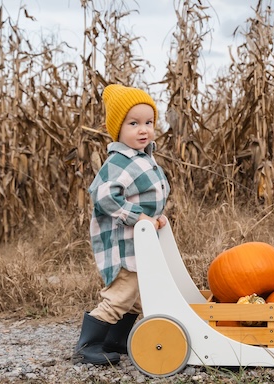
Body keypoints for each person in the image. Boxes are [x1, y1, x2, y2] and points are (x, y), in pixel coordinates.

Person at [73, 84, 170, 365]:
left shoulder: (143, 157)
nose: (143, 130)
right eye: (134, 123)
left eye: (149, 123)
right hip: (123, 244)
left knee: (137, 296)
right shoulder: (119, 160)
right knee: (120, 295)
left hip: (140, 243)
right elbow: (103, 196)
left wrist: (156, 216)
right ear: (117, 129)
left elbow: (149, 196)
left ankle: (115, 341)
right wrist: (138, 217)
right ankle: (87, 345)